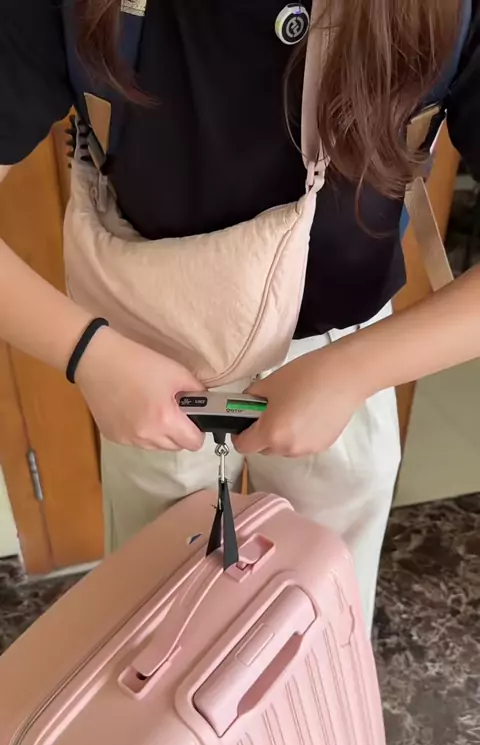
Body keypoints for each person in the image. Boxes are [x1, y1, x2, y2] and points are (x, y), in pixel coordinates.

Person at [0, 0, 479, 631]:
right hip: (142, 358)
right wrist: (86, 352)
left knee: (320, 622)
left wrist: (357, 371)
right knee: (153, 622)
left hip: (342, 352)